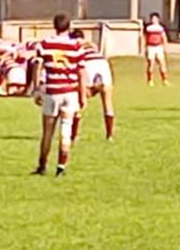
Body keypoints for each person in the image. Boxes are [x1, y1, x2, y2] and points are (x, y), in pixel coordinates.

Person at [29, 14, 88, 177]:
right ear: (69, 27)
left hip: (52, 92)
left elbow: (38, 66)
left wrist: (37, 88)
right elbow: (81, 71)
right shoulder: (76, 46)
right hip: (70, 92)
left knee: (47, 131)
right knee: (66, 129)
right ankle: (61, 166)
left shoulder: (45, 44)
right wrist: (83, 95)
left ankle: (42, 165)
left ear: (54, 26)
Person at [70, 29, 116, 141]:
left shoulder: (74, 46)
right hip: (102, 63)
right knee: (107, 101)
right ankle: (109, 136)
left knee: (78, 101)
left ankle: (74, 136)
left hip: (87, 64)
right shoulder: (91, 45)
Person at [143, 12, 169, 85]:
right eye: (152, 18)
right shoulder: (148, 28)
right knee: (151, 64)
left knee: (162, 63)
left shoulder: (161, 27)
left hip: (159, 47)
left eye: (155, 18)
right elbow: (144, 37)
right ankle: (150, 80)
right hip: (151, 47)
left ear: (158, 19)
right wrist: (144, 47)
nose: (153, 20)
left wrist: (165, 46)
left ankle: (165, 80)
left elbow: (164, 37)